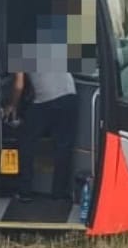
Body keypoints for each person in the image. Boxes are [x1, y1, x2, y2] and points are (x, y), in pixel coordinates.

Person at [6, 52, 79, 202]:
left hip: (45, 100)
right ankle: (59, 195)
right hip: (70, 95)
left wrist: (11, 106)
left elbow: (19, 85)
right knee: (63, 146)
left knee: (26, 140)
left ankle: (25, 192)